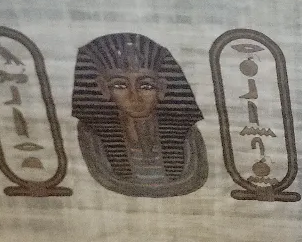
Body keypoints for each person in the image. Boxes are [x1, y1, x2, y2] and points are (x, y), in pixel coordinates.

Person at [72, 32, 207, 197]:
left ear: (162, 88)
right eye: (120, 86)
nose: (135, 97)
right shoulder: (93, 137)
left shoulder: (186, 136)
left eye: (146, 86)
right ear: (103, 88)